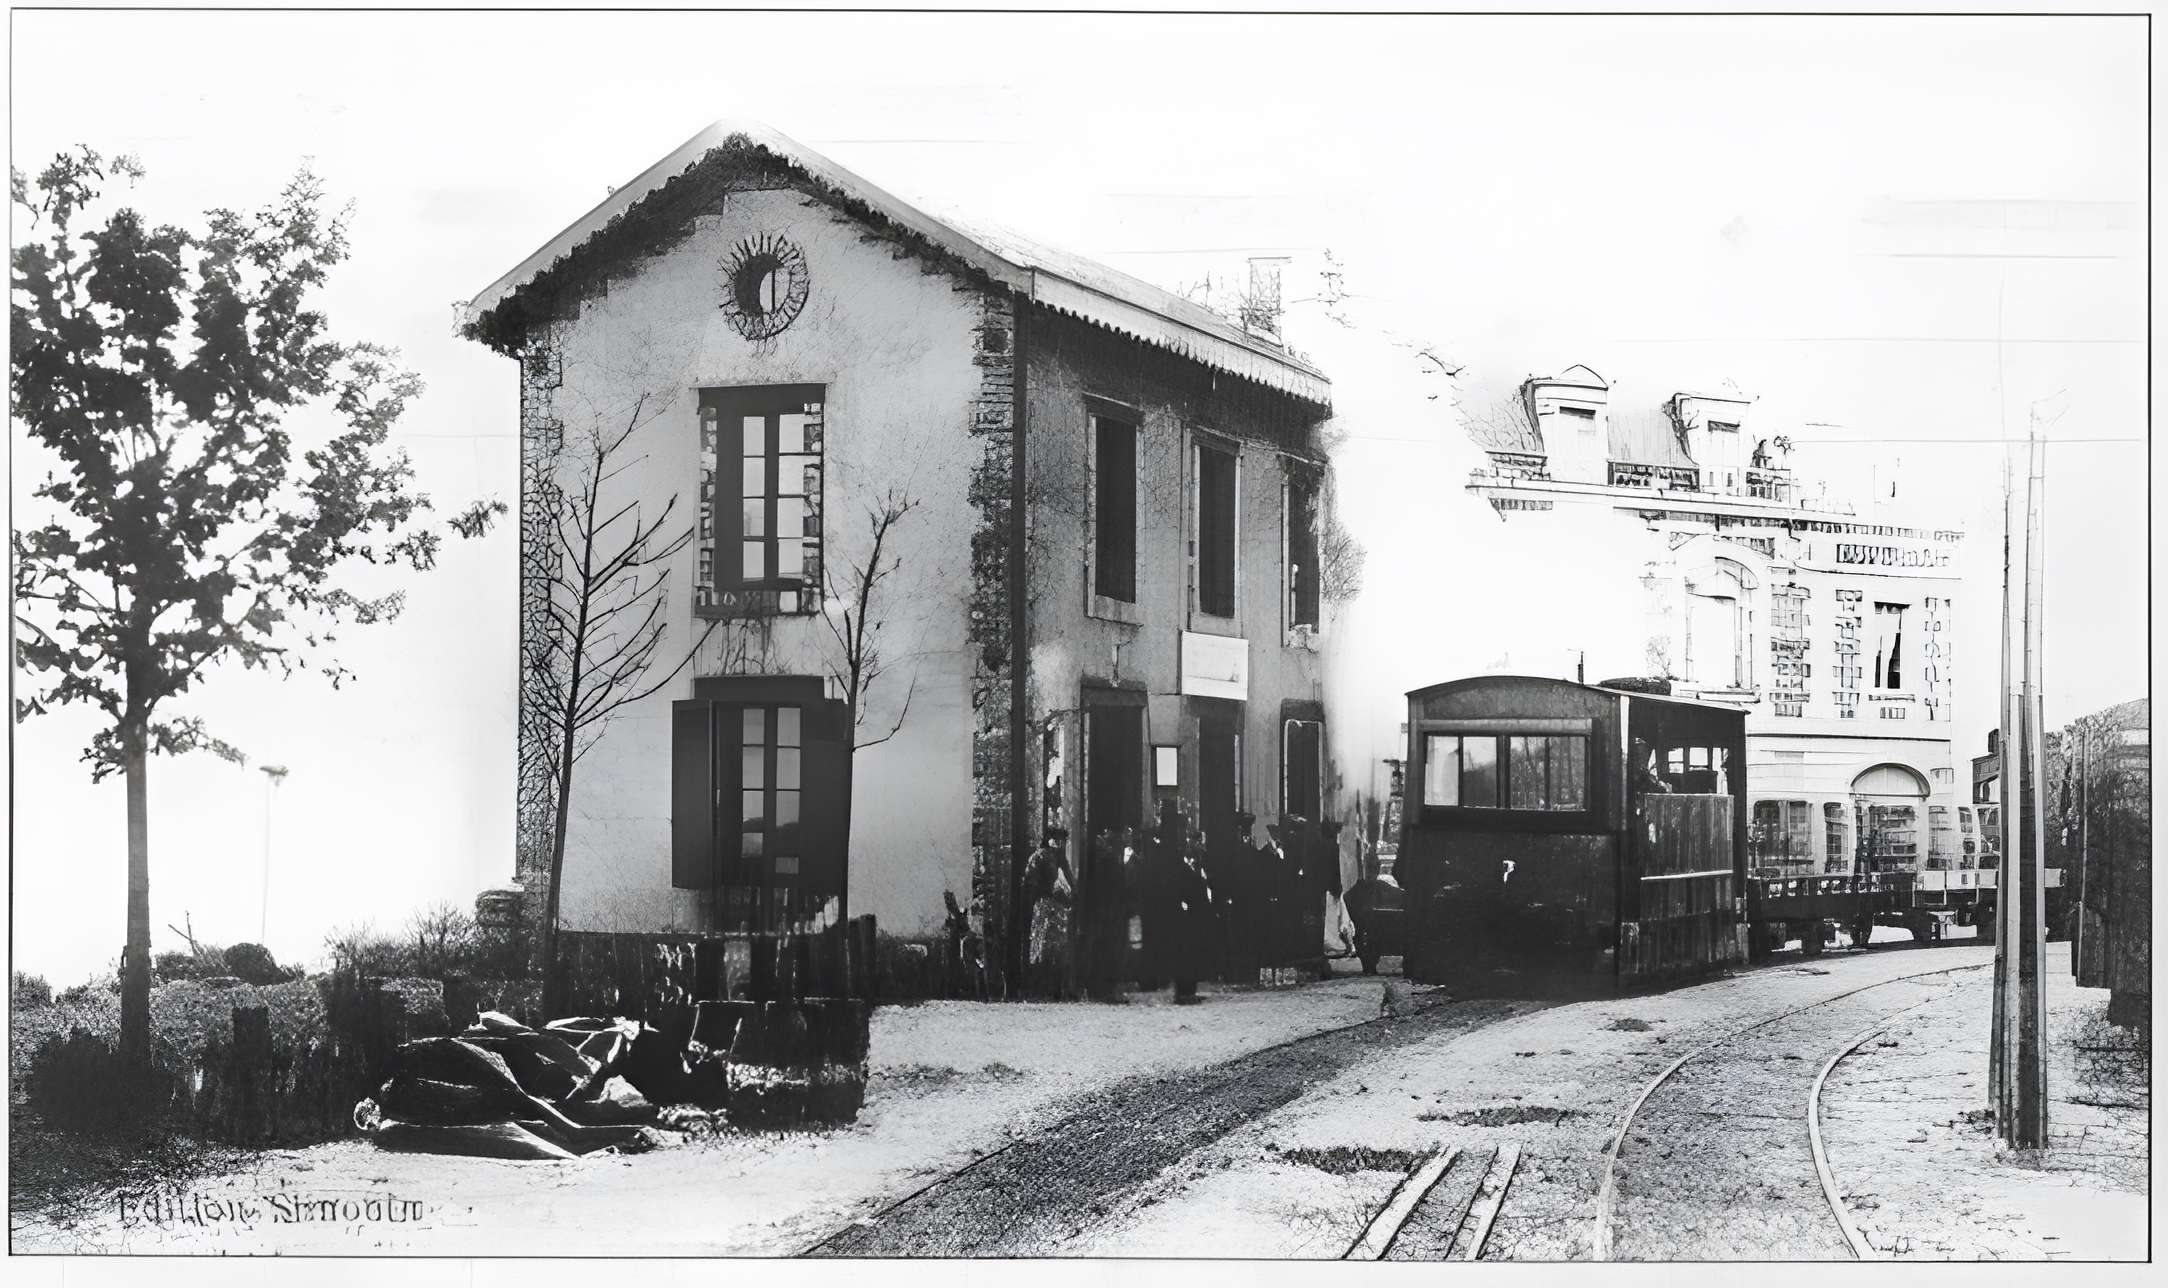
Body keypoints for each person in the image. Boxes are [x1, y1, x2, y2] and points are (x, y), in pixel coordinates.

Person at [1024, 828, 1076, 999]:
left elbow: (1071, 882)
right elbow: (1030, 883)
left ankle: (1055, 988)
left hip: (1056, 908)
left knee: (1055, 947)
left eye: (1062, 840)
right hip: (1044, 905)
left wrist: (1070, 895)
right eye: (1056, 840)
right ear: (1049, 840)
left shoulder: (1059, 859)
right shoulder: (1041, 857)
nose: (1059, 844)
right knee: (1044, 946)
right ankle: (1043, 987)